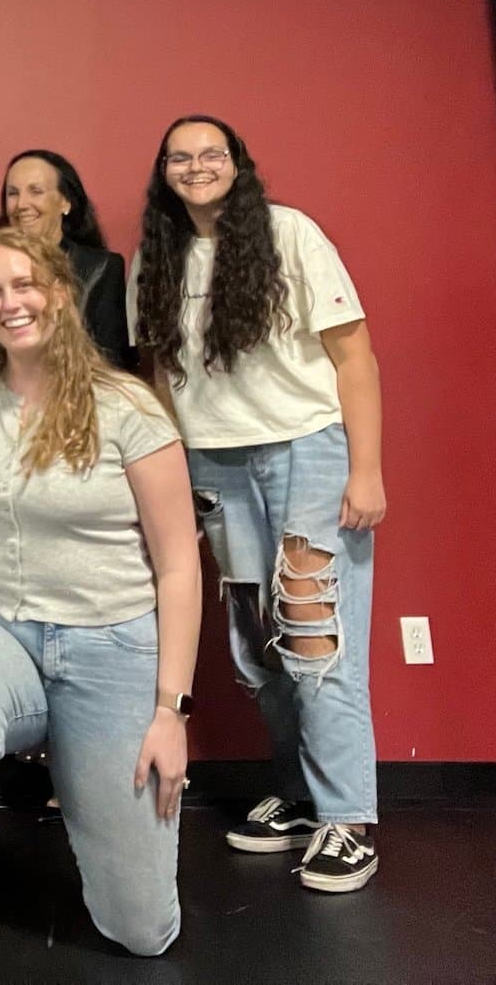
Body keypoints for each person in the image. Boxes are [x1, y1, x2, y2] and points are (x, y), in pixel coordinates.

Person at [0, 229, 200, 984]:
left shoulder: (127, 406)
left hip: (109, 645)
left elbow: (179, 564)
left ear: (59, 292)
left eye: (25, 284)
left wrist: (170, 712)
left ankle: (86, 771)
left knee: (142, 931)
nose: (11, 303)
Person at [129, 115, 385, 893]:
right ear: (164, 171)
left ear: (237, 164)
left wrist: (366, 470)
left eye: (211, 153)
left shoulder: (290, 234)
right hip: (216, 462)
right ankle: (304, 796)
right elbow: (159, 375)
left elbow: (354, 356)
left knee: (313, 633)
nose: (196, 166)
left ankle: (349, 820)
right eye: (179, 157)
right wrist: (173, 466)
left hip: (308, 448)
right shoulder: (154, 258)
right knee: (256, 645)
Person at [1, 148, 132, 368]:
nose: (21, 204)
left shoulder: (100, 268)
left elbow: (112, 363)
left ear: (65, 202)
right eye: (13, 193)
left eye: (36, 191)